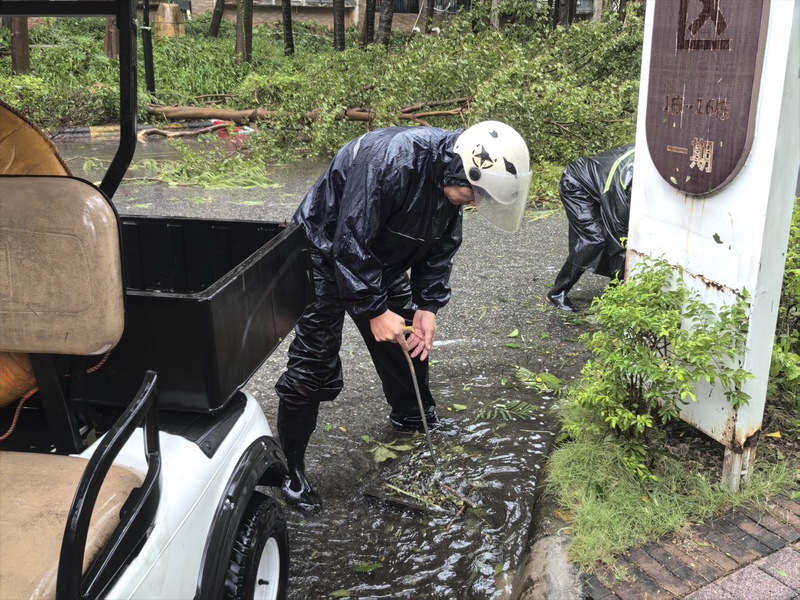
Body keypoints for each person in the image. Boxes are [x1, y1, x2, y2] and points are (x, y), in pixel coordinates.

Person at [275, 121, 532, 512]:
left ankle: (413, 415)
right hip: (321, 249)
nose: (474, 204)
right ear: (460, 170)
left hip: (381, 255)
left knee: (409, 337)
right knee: (314, 361)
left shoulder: (450, 181)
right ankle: (291, 471)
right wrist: (375, 310)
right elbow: (350, 239)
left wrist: (428, 305)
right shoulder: (391, 161)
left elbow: (441, 245)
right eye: (474, 194)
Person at [546, 144, 635, 312]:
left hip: (598, 184)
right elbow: (619, 239)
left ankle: (615, 293)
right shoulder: (623, 186)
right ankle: (557, 292)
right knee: (595, 239)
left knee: (610, 239)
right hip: (576, 185)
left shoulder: (647, 159)